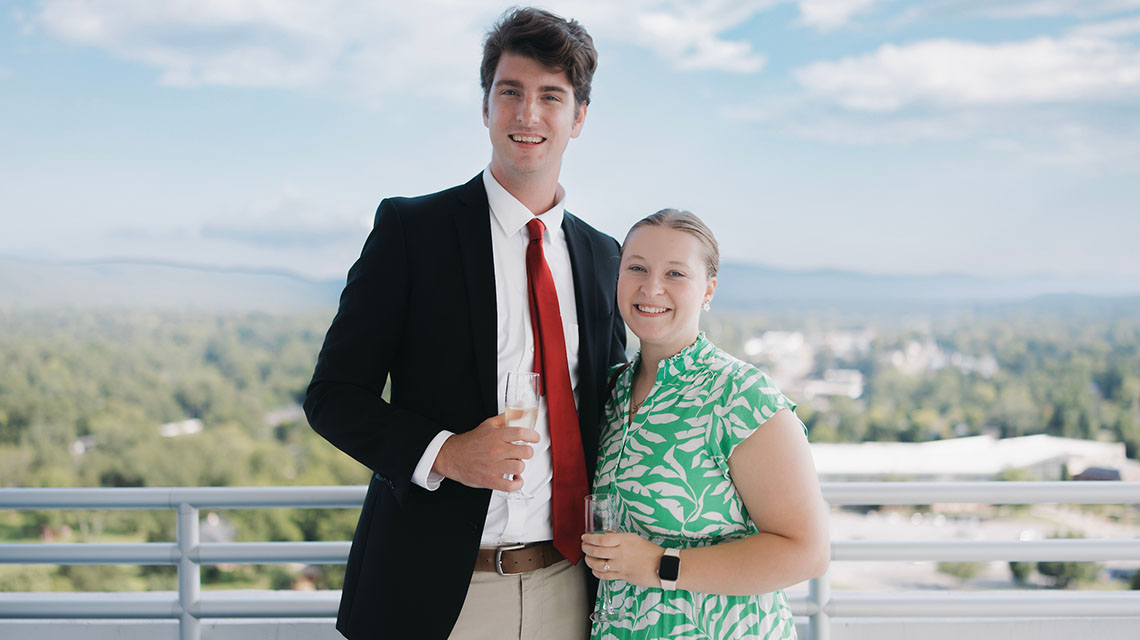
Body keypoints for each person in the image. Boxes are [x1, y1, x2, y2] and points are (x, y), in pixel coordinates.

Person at [303, 8, 626, 640]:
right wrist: (446, 453)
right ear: (485, 107)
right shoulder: (411, 233)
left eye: (551, 97)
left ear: (579, 117)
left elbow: (612, 411)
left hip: (572, 592)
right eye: (511, 92)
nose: (528, 114)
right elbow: (331, 397)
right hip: (436, 596)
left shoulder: (604, 256)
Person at [581, 209, 830, 639]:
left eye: (675, 273)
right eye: (636, 268)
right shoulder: (611, 391)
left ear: (708, 290)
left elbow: (806, 553)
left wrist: (660, 564)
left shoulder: (741, 396)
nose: (651, 287)